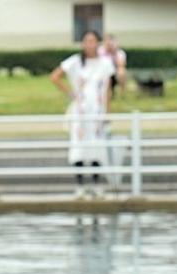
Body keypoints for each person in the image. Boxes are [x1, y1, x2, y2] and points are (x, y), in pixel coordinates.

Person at [50, 31, 116, 199]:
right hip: (80, 111)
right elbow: (55, 76)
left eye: (93, 41)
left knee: (96, 147)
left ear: (98, 43)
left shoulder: (105, 64)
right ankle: (80, 185)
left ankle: (95, 185)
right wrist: (71, 94)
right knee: (79, 147)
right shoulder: (75, 62)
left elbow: (108, 89)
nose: (90, 45)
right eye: (87, 41)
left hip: (97, 111)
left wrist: (107, 111)